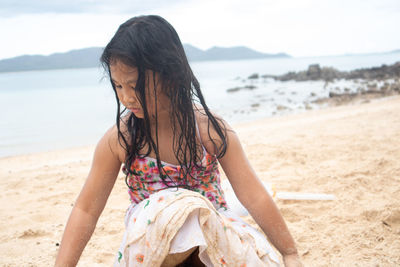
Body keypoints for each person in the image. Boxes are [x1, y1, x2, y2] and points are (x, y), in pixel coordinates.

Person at [55, 15, 302, 267]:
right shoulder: (122, 139)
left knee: (196, 209)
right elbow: (86, 210)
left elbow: (252, 194)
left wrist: (289, 252)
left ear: (170, 76)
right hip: (153, 251)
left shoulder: (208, 130)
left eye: (134, 85)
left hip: (210, 243)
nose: (127, 97)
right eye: (118, 86)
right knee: (175, 204)